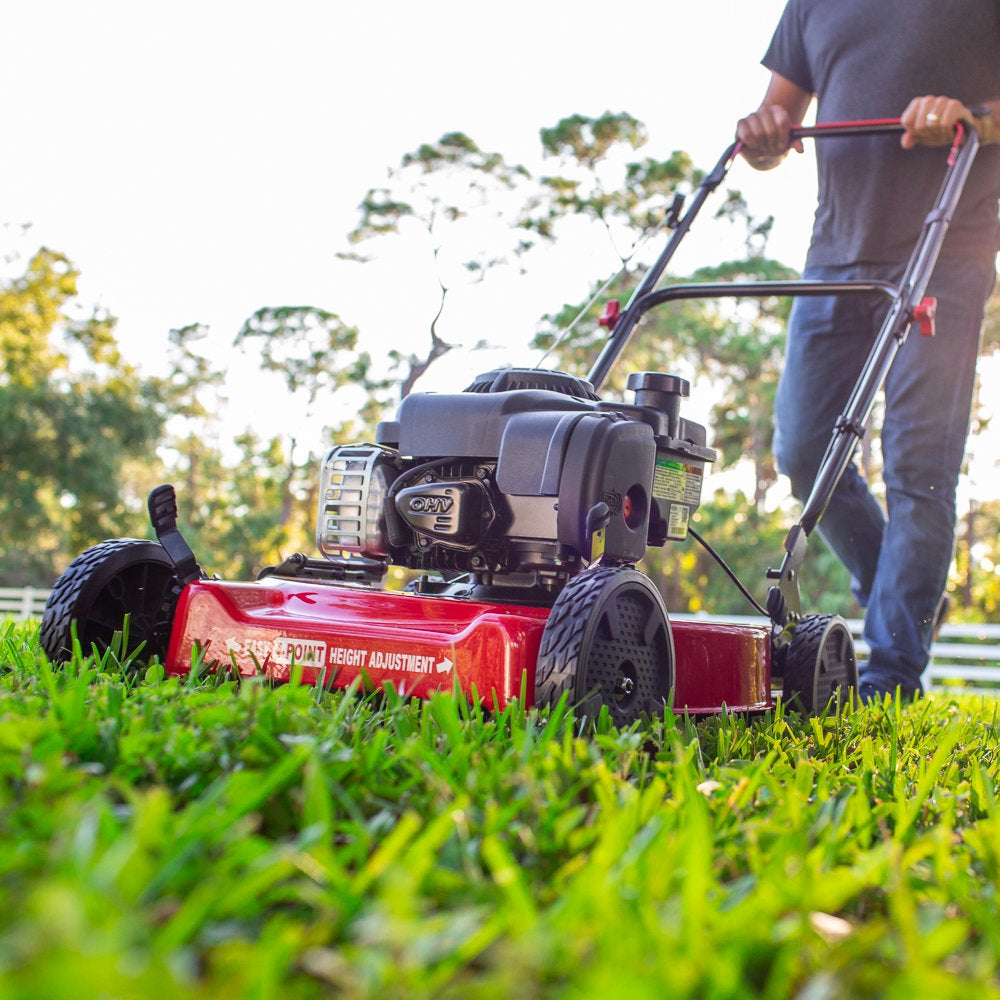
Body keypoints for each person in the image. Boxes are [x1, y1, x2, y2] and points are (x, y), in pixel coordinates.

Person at [735, 0, 1000, 702]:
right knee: (802, 452)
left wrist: (973, 114)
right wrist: (762, 134)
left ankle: (891, 669)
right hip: (836, 253)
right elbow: (775, 118)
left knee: (920, 463)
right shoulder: (813, 4)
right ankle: (906, 596)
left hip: (948, 248)